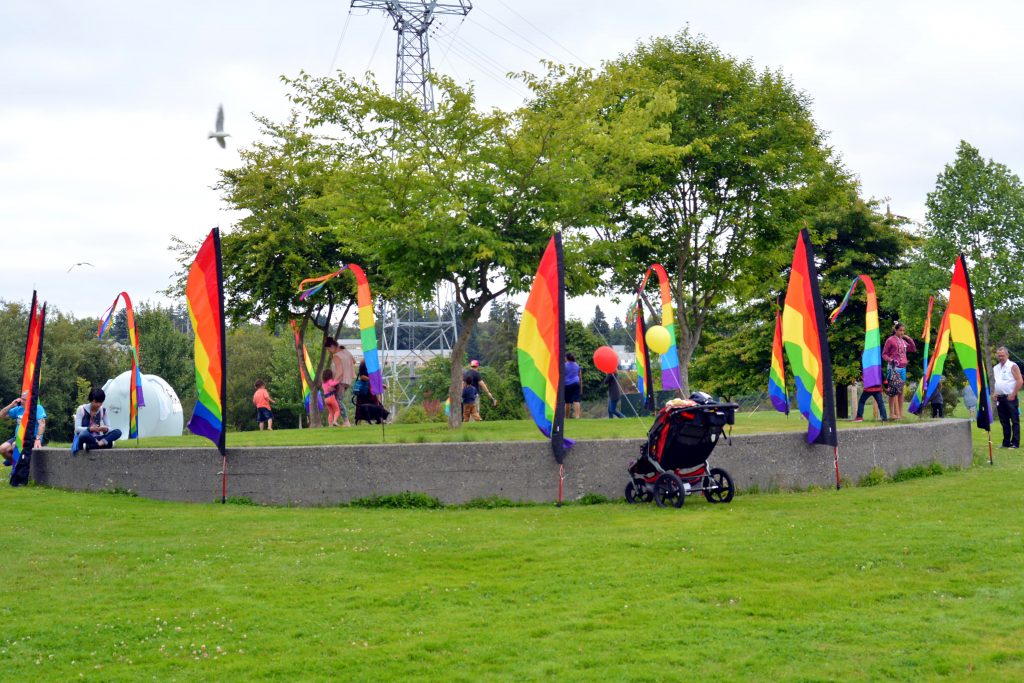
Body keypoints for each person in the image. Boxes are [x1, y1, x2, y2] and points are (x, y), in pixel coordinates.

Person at [71, 387, 123, 454]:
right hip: (86, 438)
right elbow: (77, 429)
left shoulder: (102, 410)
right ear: (91, 400)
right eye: (96, 402)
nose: (98, 404)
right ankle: (106, 444)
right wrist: (91, 429)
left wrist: (105, 429)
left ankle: (95, 445)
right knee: (83, 434)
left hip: (98, 438)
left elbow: (110, 428)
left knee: (118, 432)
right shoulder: (81, 409)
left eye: (100, 402)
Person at [0, 392, 46, 466]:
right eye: (21, 398)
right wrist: (11, 405)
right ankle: (15, 465)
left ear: (30, 400)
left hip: (32, 438)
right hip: (18, 437)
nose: (21, 401)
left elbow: (42, 423)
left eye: (24, 400)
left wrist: (38, 439)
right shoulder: (18, 408)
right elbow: (1, 416)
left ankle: (17, 469)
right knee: (2, 449)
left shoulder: (37, 408)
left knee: (16, 445)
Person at [882, 322, 916, 420]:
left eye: (903, 331)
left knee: (901, 391)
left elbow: (913, 349)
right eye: (900, 330)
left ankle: (900, 413)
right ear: (895, 330)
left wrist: (908, 338)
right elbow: (884, 354)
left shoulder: (903, 341)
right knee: (893, 391)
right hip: (893, 368)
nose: (902, 332)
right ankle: (892, 414)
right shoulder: (890, 340)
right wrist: (890, 360)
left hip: (903, 368)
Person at [992, 346, 1022, 449]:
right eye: (999, 356)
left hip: (1010, 397)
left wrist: (1013, 394)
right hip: (1000, 398)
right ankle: (1006, 442)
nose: (1001, 358)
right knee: (1004, 421)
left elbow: (1020, 381)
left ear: (1007, 355)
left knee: (1014, 420)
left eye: (1002, 355)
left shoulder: (1012, 366)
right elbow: (998, 382)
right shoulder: (995, 368)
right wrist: (995, 393)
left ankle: (1015, 443)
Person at [325, 338, 355, 427]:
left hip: (340, 381)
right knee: (337, 400)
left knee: (338, 400)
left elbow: (339, 372)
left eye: (328, 349)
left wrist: (332, 384)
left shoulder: (336, 356)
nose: (328, 351)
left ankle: (346, 421)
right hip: (347, 380)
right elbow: (353, 361)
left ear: (332, 346)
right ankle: (336, 421)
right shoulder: (346, 351)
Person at [353, 359, 389, 424]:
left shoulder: (371, 366)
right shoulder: (363, 364)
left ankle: (379, 420)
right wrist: (373, 381)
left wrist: (380, 385)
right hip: (365, 390)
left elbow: (374, 379)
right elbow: (362, 377)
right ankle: (359, 422)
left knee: (376, 405)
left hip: (371, 390)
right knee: (361, 407)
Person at [564, 353, 582, 419]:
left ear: (567, 358)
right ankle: (577, 416)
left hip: (567, 384)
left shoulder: (564, 365)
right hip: (576, 383)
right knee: (576, 401)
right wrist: (581, 387)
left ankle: (567, 417)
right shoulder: (577, 365)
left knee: (567, 402)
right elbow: (580, 376)